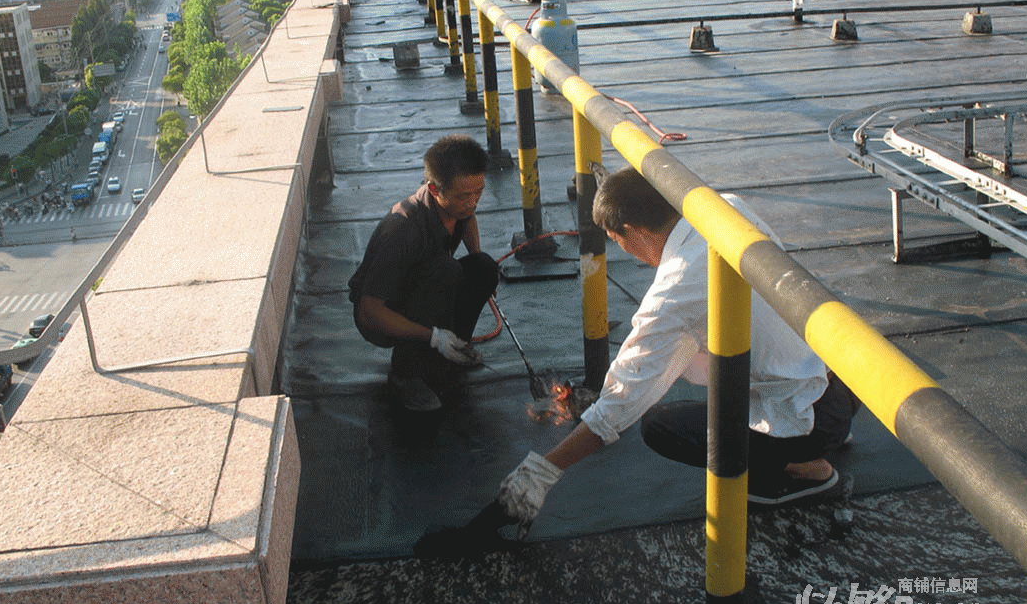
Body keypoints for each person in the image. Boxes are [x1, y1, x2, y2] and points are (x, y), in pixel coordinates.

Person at [496, 168, 859, 536]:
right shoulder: (725, 209)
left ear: (633, 232)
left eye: (615, 240)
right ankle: (824, 432)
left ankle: (802, 469)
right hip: (840, 378)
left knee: (660, 426)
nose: (625, 251)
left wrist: (545, 470)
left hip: (807, 419)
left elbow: (619, 404)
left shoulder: (676, 290)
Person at [349, 135, 499, 412]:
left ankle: (452, 351)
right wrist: (432, 336)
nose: (473, 202)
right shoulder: (402, 230)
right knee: (446, 271)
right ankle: (406, 375)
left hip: (430, 282)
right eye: (465, 196)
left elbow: (467, 218)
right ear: (434, 188)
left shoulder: (458, 203)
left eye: (479, 192)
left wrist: (477, 257)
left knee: (484, 268)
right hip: (383, 312)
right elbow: (369, 311)